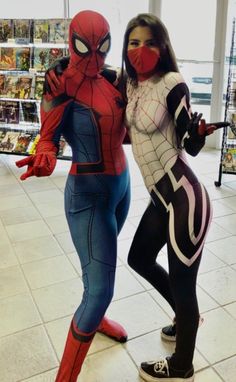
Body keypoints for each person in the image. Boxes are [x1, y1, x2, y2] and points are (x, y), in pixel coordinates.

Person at [15, 10, 131, 381]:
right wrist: (45, 156)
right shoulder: (59, 82)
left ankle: (94, 320)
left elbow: (130, 131)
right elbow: (47, 136)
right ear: (72, 43)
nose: (95, 58)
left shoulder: (115, 79)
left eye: (103, 47)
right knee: (100, 290)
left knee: (96, 277)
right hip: (88, 197)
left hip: (123, 187)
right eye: (86, 48)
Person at [121, 13, 220, 382]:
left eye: (149, 42)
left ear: (162, 46)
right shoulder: (131, 85)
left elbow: (190, 145)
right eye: (134, 42)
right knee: (139, 258)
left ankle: (182, 365)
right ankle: (183, 316)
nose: (141, 49)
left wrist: (196, 133)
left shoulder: (172, 83)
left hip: (184, 197)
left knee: (184, 282)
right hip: (159, 198)